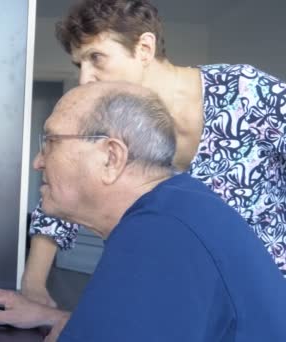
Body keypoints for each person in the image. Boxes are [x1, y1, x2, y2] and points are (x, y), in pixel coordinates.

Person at [0, 81, 286, 341]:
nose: (38, 161)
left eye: (50, 141)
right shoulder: (178, 207)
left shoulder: (160, 234)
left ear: (110, 158)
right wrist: (57, 318)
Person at [22, 0, 286, 308]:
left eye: (96, 58)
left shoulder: (246, 92)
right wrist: (33, 287)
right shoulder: (119, 124)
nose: (85, 79)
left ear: (144, 48)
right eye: (80, 65)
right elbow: (67, 188)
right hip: (187, 301)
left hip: (269, 300)